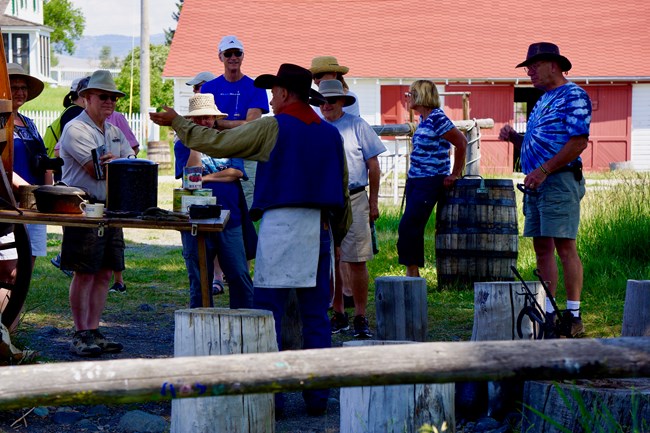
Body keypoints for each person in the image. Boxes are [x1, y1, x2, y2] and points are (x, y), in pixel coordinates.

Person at [151, 63, 351, 417]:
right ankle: (317, 396)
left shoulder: (273, 127)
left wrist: (178, 122)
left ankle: (269, 396)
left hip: (281, 224)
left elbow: (216, 141)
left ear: (286, 93)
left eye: (274, 92)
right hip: (320, 227)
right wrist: (338, 234)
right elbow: (344, 193)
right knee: (315, 316)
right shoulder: (330, 133)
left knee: (266, 316)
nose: (271, 98)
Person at [499, 42, 591, 338]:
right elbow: (541, 141)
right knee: (541, 248)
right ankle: (549, 315)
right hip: (537, 182)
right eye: (528, 67)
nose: (529, 72)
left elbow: (578, 142)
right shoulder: (541, 101)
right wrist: (516, 139)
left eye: (534, 66)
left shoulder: (573, 95)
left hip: (558, 180)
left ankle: (573, 316)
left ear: (554, 64)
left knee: (565, 245)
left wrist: (543, 171)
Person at [58, 70, 135, 357]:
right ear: (87, 98)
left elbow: (131, 165)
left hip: (110, 208)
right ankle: (81, 333)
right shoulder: (76, 129)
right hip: (84, 207)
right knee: (85, 272)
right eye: (103, 96)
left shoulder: (113, 131)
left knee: (104, 272)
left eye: (113, 97)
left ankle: (93, 329)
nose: (110, 102)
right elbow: (98, 170)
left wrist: (121, 164)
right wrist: (122, 165)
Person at [315, 79, 385, 339]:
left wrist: (374, 202)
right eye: (322, 101)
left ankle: (360, 316)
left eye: (331, 100)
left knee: (355, 259)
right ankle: (338, 312)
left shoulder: (357, 126)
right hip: (324, 200)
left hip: (355, 197)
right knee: (329, 258)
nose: (326, 105)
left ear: (342, 102)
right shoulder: (316, 128)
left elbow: (373, 165)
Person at [173, 93, 255, 309]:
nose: (204, 122)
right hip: (196, 218)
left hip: (230, 216)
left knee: (238, 273)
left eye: (208, 117)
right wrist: (196, 145)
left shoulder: (230, 140)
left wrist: (205, 178)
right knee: (199, 278)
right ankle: (199, 325)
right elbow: (190, 177)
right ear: (190, 120)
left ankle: (243, 320)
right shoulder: (182, 144)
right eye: (198, 118)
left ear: (215, 118)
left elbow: (236, 172)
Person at [397, 80, 467, 277]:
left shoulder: (437, 118)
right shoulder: (423, 119)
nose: (407, 97)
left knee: (409, 224)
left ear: (421, 95)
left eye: (411, 93)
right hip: (416, 180)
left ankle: (413, 273)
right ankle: (411, 271)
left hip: (430, 180)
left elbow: (461, 142)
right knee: (409, 224)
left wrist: (454, 173)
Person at [0, 63, 51, 330]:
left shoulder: (29, 124)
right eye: (14, 86)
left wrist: (49, 192)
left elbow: (43, 162)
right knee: (8, 271)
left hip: (34, 206)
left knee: (25, 272)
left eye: (23, 87)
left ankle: (12, 332)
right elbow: (1, 164)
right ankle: (2, 332)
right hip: (8, 204)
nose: (19, 91)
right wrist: (21, 187)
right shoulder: (0, 120)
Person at [200, 35, 269, 209]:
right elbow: (203, 121)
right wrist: (238, 123)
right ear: (220, 57)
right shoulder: (208, 88)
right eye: (228, 53)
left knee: (248, 200)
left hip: (247, 153)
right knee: (215, 197)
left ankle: (249, 236)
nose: (233, 58)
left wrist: (219, 123)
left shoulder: (256, 87)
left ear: (243, 55)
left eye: (237, 53)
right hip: (216, 153)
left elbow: (252, 124)